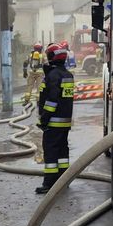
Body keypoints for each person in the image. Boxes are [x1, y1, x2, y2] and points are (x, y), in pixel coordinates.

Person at [35, 42, 75, 194]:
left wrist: (44, 119)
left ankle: (49, 184)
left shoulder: (53, 76)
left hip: (53, 122)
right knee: (62, 152)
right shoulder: (68, 76)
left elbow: (52, 101)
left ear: (51, 57)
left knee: (51, 153)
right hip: (65, 122)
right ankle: (63, 181)